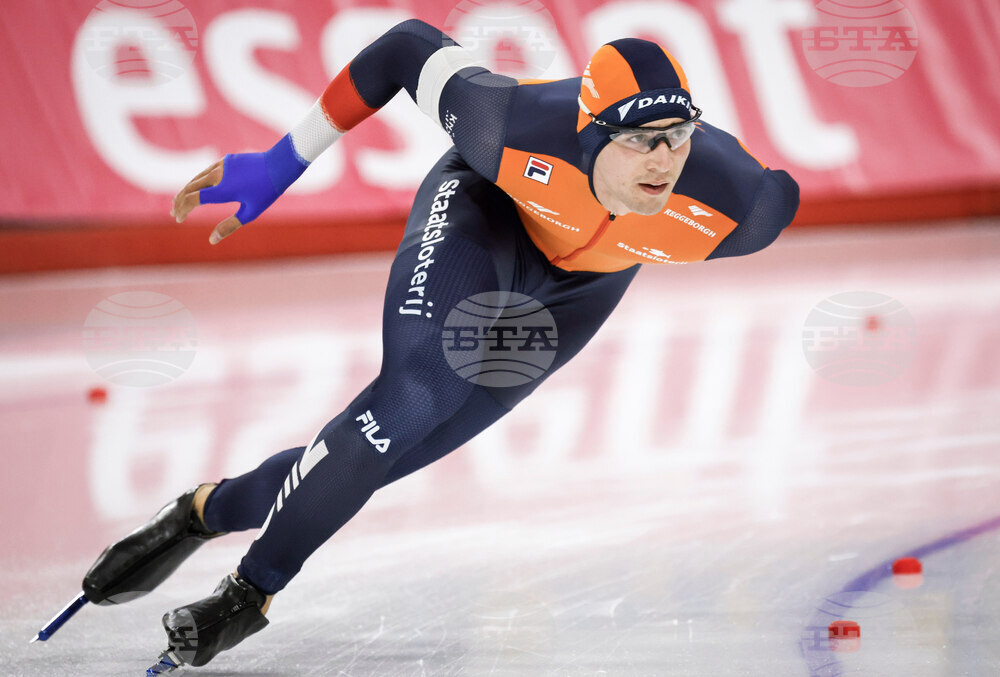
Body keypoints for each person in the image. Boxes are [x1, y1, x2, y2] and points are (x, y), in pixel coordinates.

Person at [82, 19, 799, 671]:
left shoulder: (743, 208)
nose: (665, 158)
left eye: (679, 134)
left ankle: (202, 510)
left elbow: (774, 185)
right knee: (413, 397)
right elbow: (402, 48)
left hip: (580, 293)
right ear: (587, 133)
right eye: (640, 138)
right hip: (483, 220)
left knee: (391, 453)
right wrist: (280, 162)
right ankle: (251, 592)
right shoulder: (506, 123)